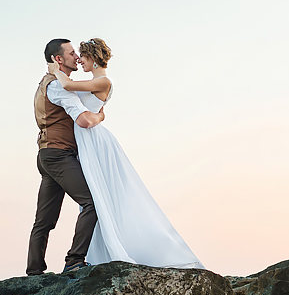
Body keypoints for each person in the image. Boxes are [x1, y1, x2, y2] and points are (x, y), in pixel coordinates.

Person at [53, 38, 203, 269]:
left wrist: (54, 71)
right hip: (88, 140)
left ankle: (115, 247)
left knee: (102, 192)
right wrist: (99, 116)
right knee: (95, 194)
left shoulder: (103, 81)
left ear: (92, 58)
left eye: (83, 56)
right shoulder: (95, 81)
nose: (80, 60)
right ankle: (95, 251)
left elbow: (68, 87)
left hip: (95, 141)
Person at [25, 38, 106, 276]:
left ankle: (34, 271)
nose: (77, 57)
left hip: (47, 155)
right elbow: (82, 119)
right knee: (91, 202)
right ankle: (74, 260)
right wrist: (100, 117)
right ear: (58, 59)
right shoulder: (58, 86)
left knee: (44, 220)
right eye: (72, 53)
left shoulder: (47, 82)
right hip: (59, 155)